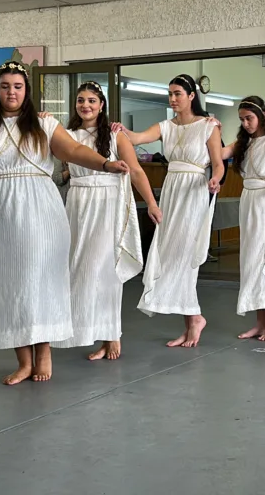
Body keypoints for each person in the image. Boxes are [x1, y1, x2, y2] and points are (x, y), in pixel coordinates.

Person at [0, 61, 129, 385]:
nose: (11, 92)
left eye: (18, 86)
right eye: (5, 86)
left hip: (41, 211)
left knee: (42, 280)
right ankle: (23, 361)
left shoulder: (44, 124)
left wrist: (106, 164)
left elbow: (75, 149)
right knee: (6, 284)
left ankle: (45, 351)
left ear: (27, 91)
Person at [111, 73, 224, 348]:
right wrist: (121, 129)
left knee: (185, 254)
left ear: (191, 96)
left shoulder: (209, 126)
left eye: (178, 94)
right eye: (170, 94)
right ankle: (191, 320)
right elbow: (137, 138)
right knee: (168, 252)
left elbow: (218, 163)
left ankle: (194, 318)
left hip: (195, 190)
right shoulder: (166, 126)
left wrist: (216, 179)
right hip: (172, 190)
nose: (173, 99)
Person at [53, 81, 162, 361]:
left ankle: (112, 335)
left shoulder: (115, 136)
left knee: (103, 269)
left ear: (101, 105)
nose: (85, 105)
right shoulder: (66, 135)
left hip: (106, 205)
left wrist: (151, 202)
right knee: (77, 268)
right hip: (77, 204)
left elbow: (136, 171)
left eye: (91, 100)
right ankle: (92, 332)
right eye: (80, 100)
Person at [216, 96, 265, 341]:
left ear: (262, 115)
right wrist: (212, 129)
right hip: (249, 199)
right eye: (242, 119)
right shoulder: (243, 143)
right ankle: (261, 320)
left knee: (263, 258)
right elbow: (218, 153)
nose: (246, 123)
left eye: (250, 118)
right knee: (249, 259)